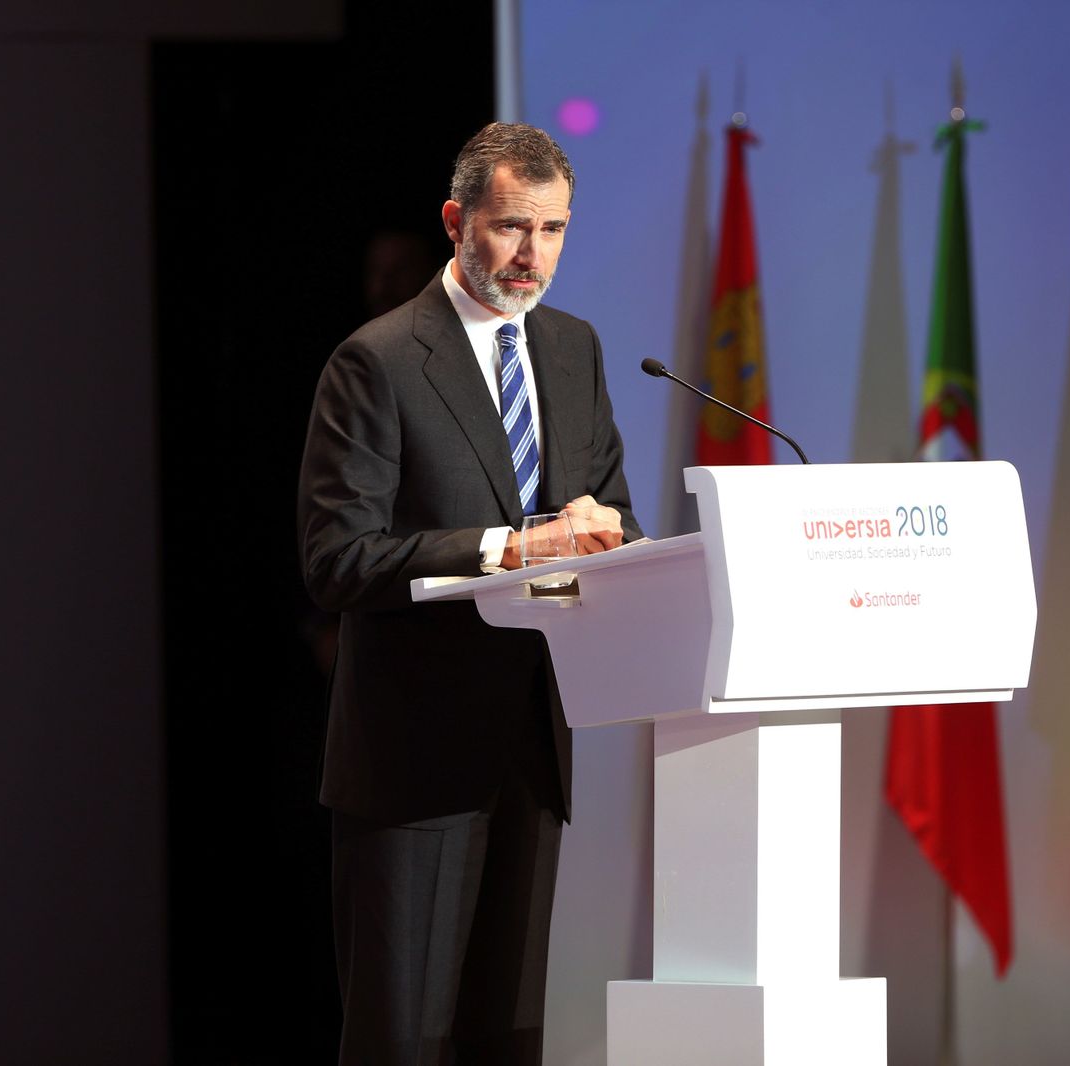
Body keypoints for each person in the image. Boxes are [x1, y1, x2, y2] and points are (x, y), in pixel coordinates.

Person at [297, 122, 642, 1065]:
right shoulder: (378, 361)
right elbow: (338, 558)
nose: (533, 255)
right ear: (457, 222)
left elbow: (612, 513)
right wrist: (507, 547)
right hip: (413, 764)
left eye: (556, 230)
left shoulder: (574, 350)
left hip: (533, 749)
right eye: (510, 227)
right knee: (402, 1042)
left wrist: (609, 533)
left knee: (510, 1040)